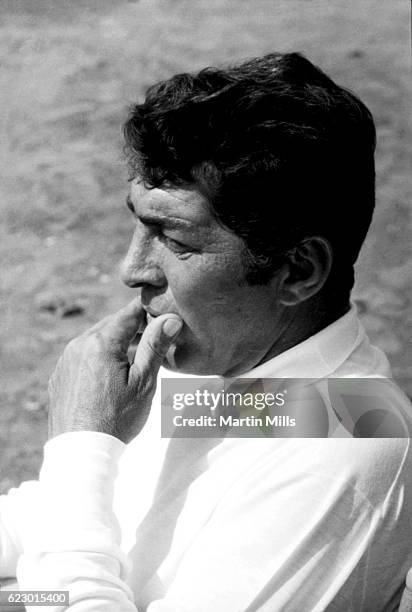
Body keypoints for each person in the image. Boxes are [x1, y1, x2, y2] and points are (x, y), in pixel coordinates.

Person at [1, 52, 411, 611]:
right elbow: (62, 514)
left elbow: (74, 504)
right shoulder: (241, 373)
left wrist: (81, 440)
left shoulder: (349, 453)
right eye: (140, 222)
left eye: (176, 241)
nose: (132, 270)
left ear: (298, 270)